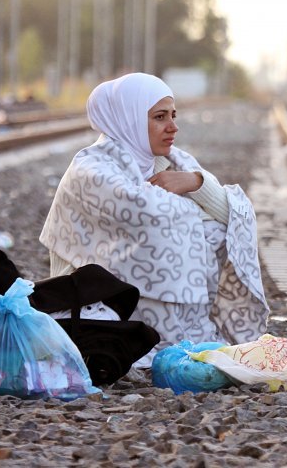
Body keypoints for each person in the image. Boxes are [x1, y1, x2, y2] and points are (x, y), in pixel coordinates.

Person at [40, 73, 268, 353]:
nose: (173, 127)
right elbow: (154, 217)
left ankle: (177, 331)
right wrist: (196, 209)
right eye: (160, 117)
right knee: (182, 231)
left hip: (173, 316)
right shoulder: (91, 169)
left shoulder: (172, 162)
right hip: (95, 308)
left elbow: (231, 215)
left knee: (213, 229)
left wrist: (195, 182)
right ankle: (154, 337)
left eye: (173, 115)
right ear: (129, 119)